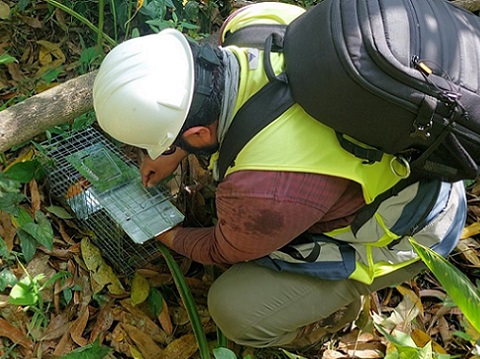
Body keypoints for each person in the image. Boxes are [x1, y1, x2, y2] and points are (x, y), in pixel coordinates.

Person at [92, 2, 467, 350]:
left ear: (196, 135)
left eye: (171, 142)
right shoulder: (253, 22)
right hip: (413, 149)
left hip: (412, 228)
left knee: (233, 309)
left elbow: (221, 249)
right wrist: (175, 151)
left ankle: (328, 317)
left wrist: (163, 232)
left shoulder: (260, 192)